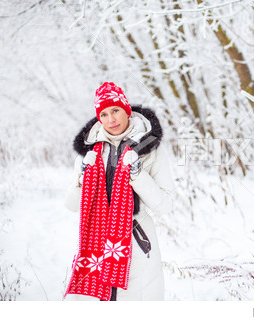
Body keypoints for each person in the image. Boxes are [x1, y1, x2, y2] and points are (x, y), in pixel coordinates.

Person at [63, 82, 173, 301]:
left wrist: (137, 175)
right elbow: (71, 205)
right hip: (95, 252)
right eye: (103, 114)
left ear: (126, 110)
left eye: (115, 111)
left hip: (136, 251)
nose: (111, 120)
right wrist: (83, 176)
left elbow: (165, 205)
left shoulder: (150, 150)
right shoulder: (89, 152)